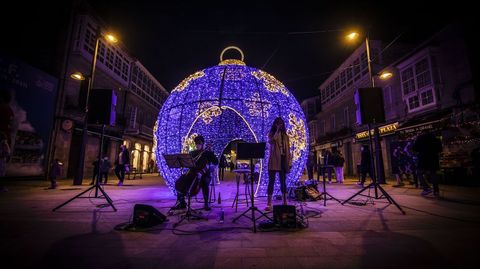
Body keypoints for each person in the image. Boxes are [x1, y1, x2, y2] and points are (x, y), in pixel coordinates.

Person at [171, 135, 218, 211]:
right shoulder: (192, 153)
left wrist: (211, 154)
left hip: (204, 174)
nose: (197, 145)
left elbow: (216, 162)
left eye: (199, 143)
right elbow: (189, 163)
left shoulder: (208, 153)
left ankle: (206, 203)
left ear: (203, 144)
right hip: (192, 172)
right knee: (181, 181)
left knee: (205, 182)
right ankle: (181, 202)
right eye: (196, 143)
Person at [265, 117, 292, 211]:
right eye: (277, 123)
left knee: (283, 181)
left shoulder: (286, 136)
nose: (279, 125)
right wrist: (276, 130)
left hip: (283, 160)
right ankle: (269, 203)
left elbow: (288, 149)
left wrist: (289, 161)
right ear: (275, 124)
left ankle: (284, 201)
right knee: (271, 181)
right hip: (274, 160)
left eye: (281, 123)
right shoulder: (271, 134)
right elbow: (271, 141)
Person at [413, 132, 442, 197]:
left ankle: (426, 188)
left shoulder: (419, 138)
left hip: (423, 159)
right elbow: (440, 149)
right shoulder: (436, 138)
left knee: (419, 173)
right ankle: (436, 191)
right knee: (434, 174)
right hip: (434, 159)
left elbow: (414, 149)